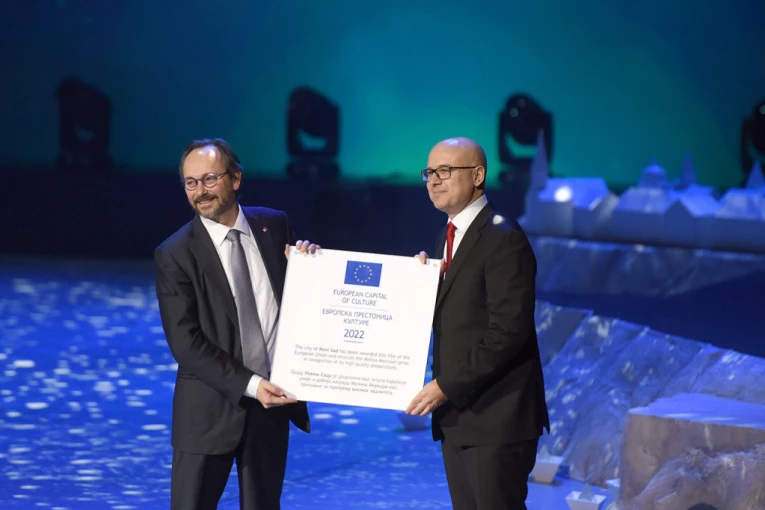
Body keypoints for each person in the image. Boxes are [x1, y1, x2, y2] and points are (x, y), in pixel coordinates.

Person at [154, 138, 317, 510]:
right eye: (191, 182)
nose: (200, 191)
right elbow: (186, 343)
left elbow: (298, 305)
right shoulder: (175, 253)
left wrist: (310, 268)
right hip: (208, 413)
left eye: (209, 179)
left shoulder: (274, 225)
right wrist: (253, 385)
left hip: (272, 410)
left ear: (236, 178)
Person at [407, 137, 550, 510]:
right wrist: (419, 284)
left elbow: (507, 333)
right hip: (461, 418)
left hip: (497, 420)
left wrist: (445, 387)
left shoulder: (504, 238)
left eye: (445, 170)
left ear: (478, 175)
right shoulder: (449, 235)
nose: (434, 180)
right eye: (429, 172)